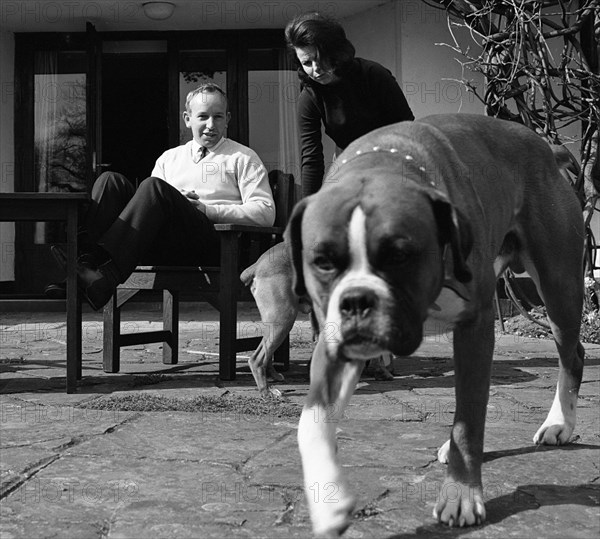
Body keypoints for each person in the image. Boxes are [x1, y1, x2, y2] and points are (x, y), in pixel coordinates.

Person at [47, 83, 275, 310]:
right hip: (164, 245)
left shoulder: (243, 157)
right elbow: (148, 207)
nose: (210, 125)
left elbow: (265, 212)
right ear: (187, 118)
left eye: (217, 117)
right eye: (203, 116)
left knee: (155, 188)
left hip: (212, 244)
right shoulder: (169, 158)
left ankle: (102, 275)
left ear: (228, 119)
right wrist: (173, 199)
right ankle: (86, 266)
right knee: (110, 181)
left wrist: (207, 209)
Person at [285, 12, 415, 197]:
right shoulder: (309, 97)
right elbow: (312, 158)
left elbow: (407, 127)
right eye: (307, 62)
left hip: (392, 158)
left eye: (320, 58)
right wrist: (307, 207)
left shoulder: (373, 74)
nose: (316, 69)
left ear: (336, 52)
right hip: (349, 163)